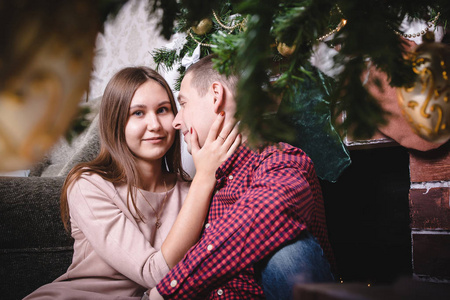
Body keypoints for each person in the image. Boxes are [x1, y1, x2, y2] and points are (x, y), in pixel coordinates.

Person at [24, 66, 240, 299]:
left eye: (163, 110)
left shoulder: (191, 192)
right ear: (116, 122)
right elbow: (154, 274)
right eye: (138, 113)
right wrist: (205, 176)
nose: (155, 125)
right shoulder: (88, 185)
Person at [148, 55, 335, 300]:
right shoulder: (201, 185)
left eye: (183, 104)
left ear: (216, 96)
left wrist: (166, 293)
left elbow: (267, 210)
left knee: (288, 251)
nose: (176, 121)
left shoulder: (282, 161)